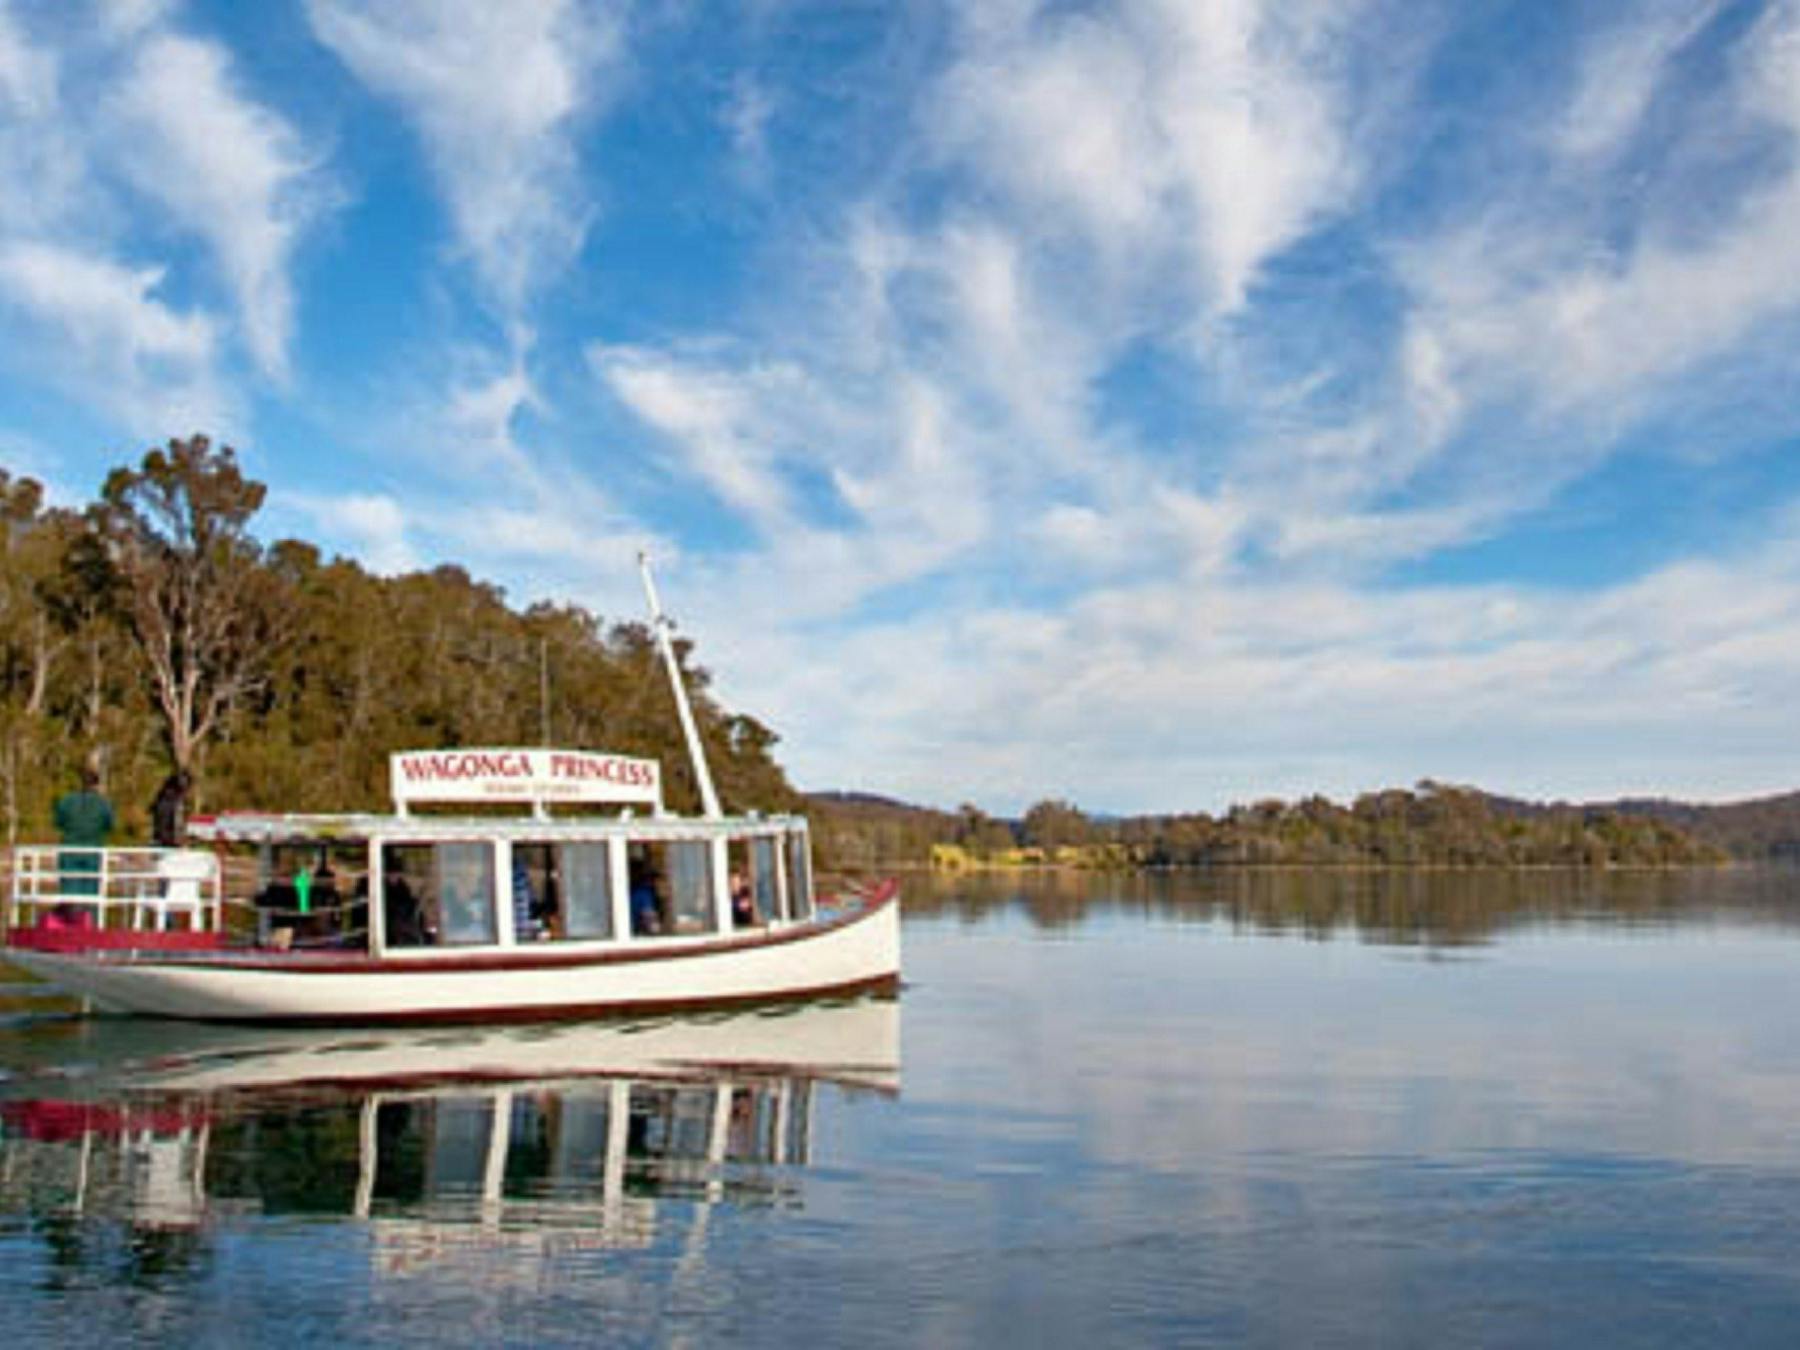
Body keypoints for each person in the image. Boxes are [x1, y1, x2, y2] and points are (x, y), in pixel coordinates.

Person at [53, 767, 114, 900]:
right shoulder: (103, 803)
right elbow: (109, 825)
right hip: (93, 851)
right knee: (91, 892)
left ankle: (69, 919)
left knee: (69, 891)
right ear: (96, 784)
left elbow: (58, 822)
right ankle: (89, 919)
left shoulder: (66, 801)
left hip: (69, 850)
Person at [150, 770, 191, 848]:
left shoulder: (163, 799)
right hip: (167, 845)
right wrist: (179, 842)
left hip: (162, 842)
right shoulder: (172, 802)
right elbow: (167, 827)